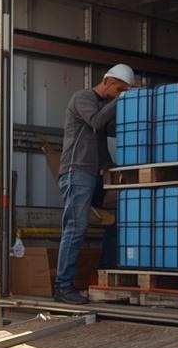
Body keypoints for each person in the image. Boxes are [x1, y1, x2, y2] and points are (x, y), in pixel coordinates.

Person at [55, 64, 134, 304]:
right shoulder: (83, 98)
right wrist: (122, 101)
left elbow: (103, 138)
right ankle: (63, 286)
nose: (120, 94)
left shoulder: (104, 105)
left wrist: (109, 165)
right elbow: (97, 123)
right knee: (76, 227)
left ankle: (106, 274)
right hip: (76, 172)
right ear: (108, 81)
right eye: (119, 89)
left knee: (118, 217)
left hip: (95, 175)